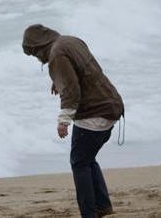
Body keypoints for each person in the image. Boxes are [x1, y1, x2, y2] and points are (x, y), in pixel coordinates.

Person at [22, 24, 124, 218]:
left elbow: (72, 91)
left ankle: (89, 213)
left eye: (35, 54)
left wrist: (63, 121)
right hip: (112, 105)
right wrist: (58, 78)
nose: (37, 59)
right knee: (87, 158)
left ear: (38, 47)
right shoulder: (70, 41)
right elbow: (82, 69)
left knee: (79, 163)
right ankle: (102, 206)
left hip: (94, 114)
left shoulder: (56, 55)